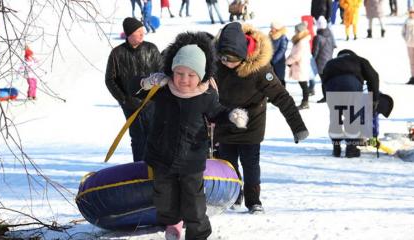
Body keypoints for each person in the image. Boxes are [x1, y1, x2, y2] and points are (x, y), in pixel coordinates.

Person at [141, 31, 248, 240]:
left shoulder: (205, 95)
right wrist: (147, 83)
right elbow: (135, 89)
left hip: (192, 158)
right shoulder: (163, 89)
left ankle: (198, 234)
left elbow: (217, 112)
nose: (184, 80)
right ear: (172, 71)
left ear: (201, 75)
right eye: (179, 73)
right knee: (164, 196)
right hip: (161, 156)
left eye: (191, 75)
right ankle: (172, 223)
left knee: (194, 201)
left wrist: (232, 115)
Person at [214, 22, 309, 214]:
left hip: (251, 123)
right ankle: (234, 195)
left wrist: (298, 127)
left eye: (230, 60)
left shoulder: (260, 70)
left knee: (250, 164)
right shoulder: (217, 63)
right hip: (225, 120)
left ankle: (253, 201)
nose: (226, 63)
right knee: (227, 164)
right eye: (223, 59)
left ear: (243, 55)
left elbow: (282, 97)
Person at [105, 17, 162, 162]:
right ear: (129, 34)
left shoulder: (152, 49)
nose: (142, 34)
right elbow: (110, 80)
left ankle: (155, 167)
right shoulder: (117, 54)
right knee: (137, 137)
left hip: (152, 102)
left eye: (143, 30)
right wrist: (123, 99)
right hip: (130, 104)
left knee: (154, 134)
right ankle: (139, 168)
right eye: (138, 32)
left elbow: (162, 73)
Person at [322, 49, 379, 158]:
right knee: (352, 117)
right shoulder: (359, 60)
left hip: (332, 89)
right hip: (351, 87)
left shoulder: (330, 63)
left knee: (335, 118)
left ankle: (336, 147)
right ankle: (351, 149)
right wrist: (374, 98)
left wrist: (327, 98)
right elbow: (373, 77)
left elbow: (323, 82)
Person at [286, 22, 312, 110]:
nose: (294, 31)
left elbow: (297, 55)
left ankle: (305, 102)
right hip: (300, 65)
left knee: (304, 85)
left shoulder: (302, 42)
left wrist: (288, 61)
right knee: (303, 85)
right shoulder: (301, 40)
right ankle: (305, 101)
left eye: (296, 30)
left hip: (300, 66)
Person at [313, 16, 337, 103]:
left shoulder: (318, 37)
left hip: (320, 63)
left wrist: (312, 62)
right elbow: (334, 45)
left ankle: (326, 97)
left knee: (324, 81)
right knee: (328, 80)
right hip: (330, 60)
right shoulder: (330, 33)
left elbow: (315, 52)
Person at [269, 20, 289, 87]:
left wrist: (274, 60)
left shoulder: (282, 37)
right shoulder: (270, 36)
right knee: (271, 79)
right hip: (270, 61)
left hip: (279, 62)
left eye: (272, 27)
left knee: (280, 79)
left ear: (277, 28)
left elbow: (282, 50)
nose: (271, 29)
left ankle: (283, 95)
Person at [402, 7, 414, 84]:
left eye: (412, 12)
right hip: (409, 44)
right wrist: (406, 39)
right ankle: (413, 76)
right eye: (410, 12)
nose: (411, 14)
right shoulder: (406, 21)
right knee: (411, 62)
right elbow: (403, 32)